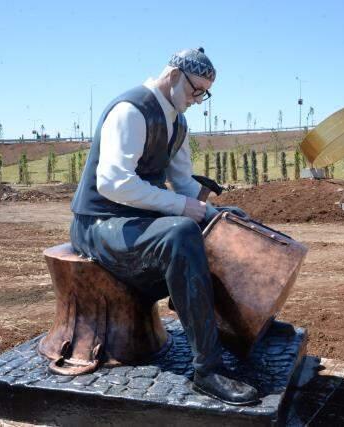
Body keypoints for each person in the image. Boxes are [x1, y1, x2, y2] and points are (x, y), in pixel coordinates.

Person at [69, 48, 258, 405]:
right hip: (99, 224)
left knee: (222, 224)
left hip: (134, 222)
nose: (197, 99)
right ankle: (207, 370)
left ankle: (242, 331)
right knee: (182, 232)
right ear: (172, 76)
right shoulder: (131, 110)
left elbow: (184, 185)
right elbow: (113, 183)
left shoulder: (179, 124)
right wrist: (187, 209)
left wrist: (216, 213)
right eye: (194, 90)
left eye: (204, 93)